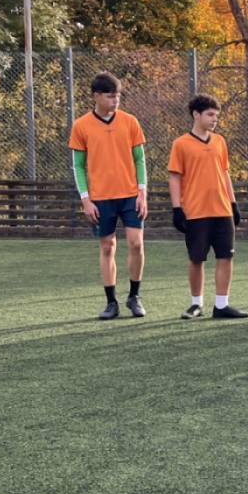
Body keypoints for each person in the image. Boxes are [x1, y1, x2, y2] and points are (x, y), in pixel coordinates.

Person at [68, 72, 148, 320]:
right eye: (110, 96)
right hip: (100, 198)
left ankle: (134, 296)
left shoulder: (130, 122)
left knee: (136, 243)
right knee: (107, 247)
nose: (116, 100)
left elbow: (140, 159)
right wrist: (86, 199)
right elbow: (78, 166)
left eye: (118, 96)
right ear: (96, 96)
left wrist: (142, 192)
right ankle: (111, 302)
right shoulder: (81, 125)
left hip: (130, 195)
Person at [167, 94, 248, 320]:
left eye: (217, 116)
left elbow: (225, 173)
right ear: (196, 114)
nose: (215, 119)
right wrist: (177, 209)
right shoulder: (181, 144)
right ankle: (196, 304)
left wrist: (233, 203)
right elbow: (174, 177)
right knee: (196, 259)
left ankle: (221, 305)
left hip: (222, 211)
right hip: (196, 212)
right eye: (210, 114)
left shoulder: (220, 141)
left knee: (226, 256)